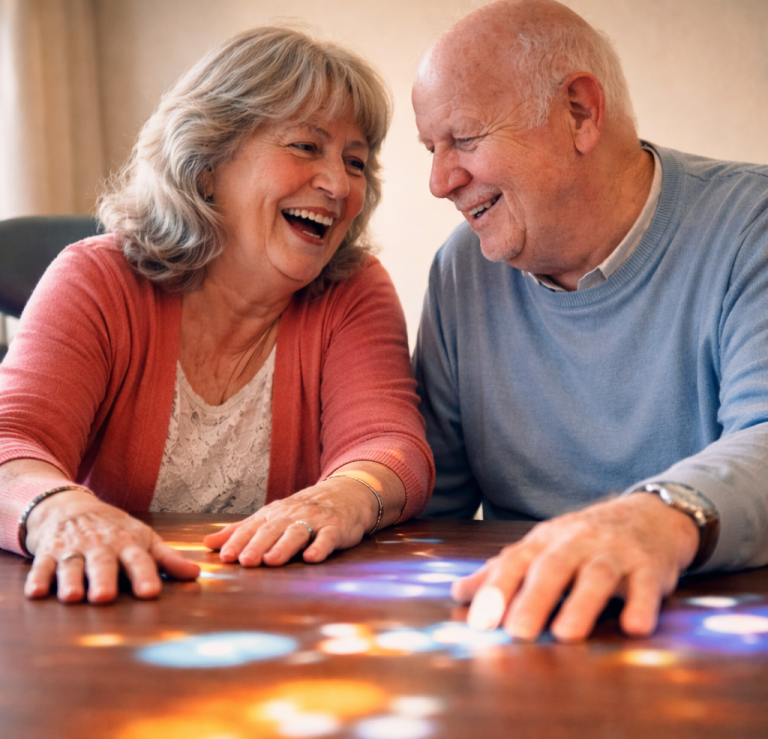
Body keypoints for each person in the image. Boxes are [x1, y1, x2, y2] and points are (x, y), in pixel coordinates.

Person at [0, 26, 434, 604]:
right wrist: (61, 511)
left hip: (281, 615)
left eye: (355, 162)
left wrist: (343, 496)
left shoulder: (351, 290)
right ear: (207, 161)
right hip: (108, 600)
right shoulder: (97, 278)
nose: (337, 185)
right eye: (306, 147)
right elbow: (11, 437)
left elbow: (389, 445)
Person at [412, 0, 768, 643]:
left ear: (579, 111)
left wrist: (654, 518)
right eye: (431, 149)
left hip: (707, 632)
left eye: (463, 139)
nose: (439, 181)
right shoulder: (461, 270)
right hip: (520, 628)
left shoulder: (753, 224)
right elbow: (432, 507)